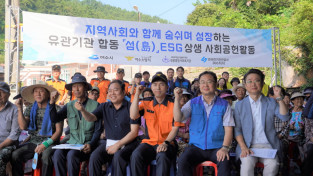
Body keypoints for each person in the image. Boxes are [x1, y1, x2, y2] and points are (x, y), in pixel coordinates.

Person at [75, 80, 140, 176]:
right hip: (109, 143)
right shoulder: (104, 106)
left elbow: (134, 132)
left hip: (128, 144)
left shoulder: (131, 107)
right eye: (110, 91)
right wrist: (83, 111)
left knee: (118, 156)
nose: (112, 93)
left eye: (116, 90)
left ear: (123, 91)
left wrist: (117, 145)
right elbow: (91, 118)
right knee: (94, 156)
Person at [177, 71, 234, 176]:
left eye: (209, 82)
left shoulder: (224, 105)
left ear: (216, 84)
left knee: (225, 162)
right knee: (183, 161)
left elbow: (229, 129)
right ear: (199, 85)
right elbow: (179, 118)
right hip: (196, 147)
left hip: (217, 147)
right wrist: (177, 99)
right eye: (202, 82)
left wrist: (225, 148)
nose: (205, 85)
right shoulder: (193, 103)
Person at [234, 69, 289, 176]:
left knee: (273, 165)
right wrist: (243, 147)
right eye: (249, 81)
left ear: (262, 83)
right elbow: (237, 129)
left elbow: (285, 116)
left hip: (268, 146)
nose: (253, 84)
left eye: (257, 81)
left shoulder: (271, 102)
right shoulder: (240, 105)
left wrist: (279, 98)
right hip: (248, 146)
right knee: (246, 165)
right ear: (245, 84)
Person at [49, 74, 101, 176]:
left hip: (87, 145)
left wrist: (91, 144)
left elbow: (98, 129)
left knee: (72, 155)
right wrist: (51, 103)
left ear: (86, 87)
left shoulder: (95, 105)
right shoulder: (69, 105)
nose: (76, 89)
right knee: (57, 154)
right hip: (73, 143)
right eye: (74, 86)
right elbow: (55, 118)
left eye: (79, 86)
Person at [130, 73, 181, 176]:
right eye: (155, 84)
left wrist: (165, 143)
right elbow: (133, 115)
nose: (158, 87)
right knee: (136, 155)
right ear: (151, 87)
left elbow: (176, 125)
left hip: (168, 143)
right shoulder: (146, 102)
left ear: (167, 87)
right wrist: (137, 94)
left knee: (162, 156)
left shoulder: (172, 103)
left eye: (161, 84)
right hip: (149, 143)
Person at [11, 82, 63, 176]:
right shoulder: (30, 108)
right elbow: (23, 127)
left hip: (50, 142)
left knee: (46, 156)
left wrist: (45, 144)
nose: (38, 94)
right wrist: (19, 108)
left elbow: (59, 131)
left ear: (48, 94)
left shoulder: (56, 108)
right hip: (34, 142)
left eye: (41, 91)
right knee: (15, 155)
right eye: (35, 91)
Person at [0, 82, 19, 176]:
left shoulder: (14, 110)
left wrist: (0, 146)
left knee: (1, 156)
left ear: (8, 94)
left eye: (2, 92)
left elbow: (14, 135)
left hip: (8, 144)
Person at [288, 92, 306, 167]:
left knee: (304, 155)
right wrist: (289, 127)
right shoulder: (289, 111)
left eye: (301, 99)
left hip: (301, 137)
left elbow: (309, 125)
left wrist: (303, 127)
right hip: (289, 137)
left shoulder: (305, 111)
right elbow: (284, 123)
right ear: (293, 101)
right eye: (297, 99)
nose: (300, 101)